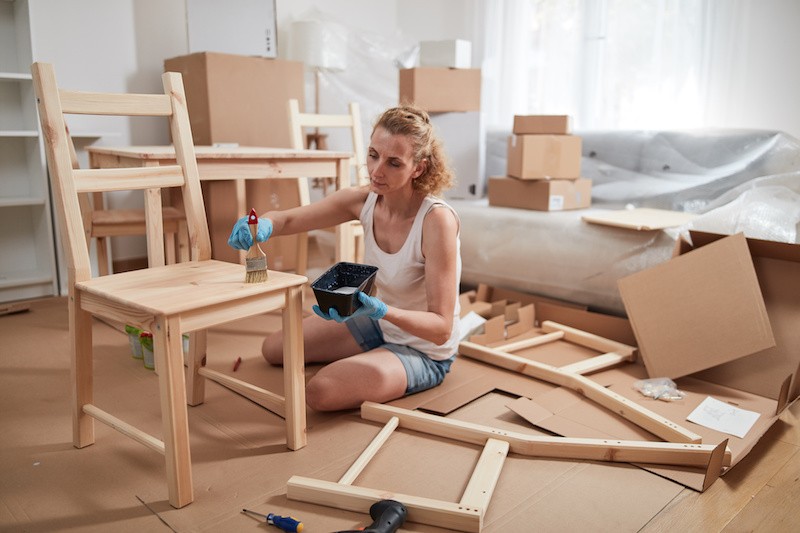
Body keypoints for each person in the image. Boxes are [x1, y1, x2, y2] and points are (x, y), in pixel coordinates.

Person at [227, 105, 461, 411]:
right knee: (274, 349)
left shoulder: (436, 221)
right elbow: (288, 219)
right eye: (373, 155)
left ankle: (385, 363)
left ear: (418, 168)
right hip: (380, 324)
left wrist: (381, 311)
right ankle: (370, 354)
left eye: (393, 163)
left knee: (320, 392)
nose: (376, 171)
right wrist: (262, 225)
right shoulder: (363, 201)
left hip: (423, 349)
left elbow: (441, 328)